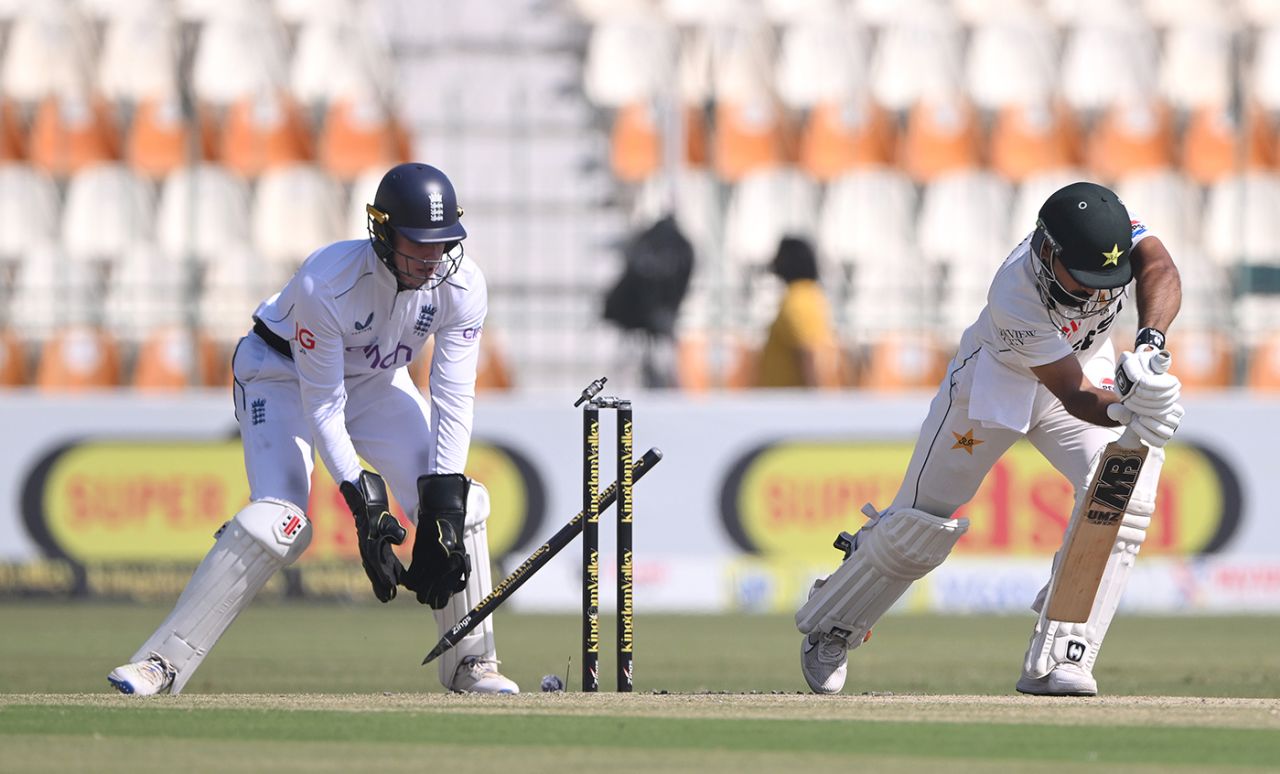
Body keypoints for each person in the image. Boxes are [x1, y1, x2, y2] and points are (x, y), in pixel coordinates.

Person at [108, 163, 518, 695]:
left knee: (463, 504)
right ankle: (159, 664)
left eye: (442, 243)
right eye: (418, 243)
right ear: (383, 232)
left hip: (375, 381)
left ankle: (472, 662)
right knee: (279, 521)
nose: (432, 258)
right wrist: (362, 499)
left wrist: (441, 502)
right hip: (281, 377)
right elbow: (323, 404)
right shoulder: (326, 282)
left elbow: (454, 396)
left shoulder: (462, 285)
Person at [796, 181, 1185, 696]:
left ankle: (1062, 654)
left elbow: (1160, 267)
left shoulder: (1113, 234)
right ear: (1047, 253)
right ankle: (834, 622)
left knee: (1121, 493)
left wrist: (1150, 347)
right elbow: (1075, 396)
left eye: (1105, 284)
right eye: (1083, 282)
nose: (1095, 296)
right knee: (919, 525)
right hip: (994, 388)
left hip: (1085, 369)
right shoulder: (1013, 294)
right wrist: (1131, 408)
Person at [756, 236, 838, 388]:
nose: (775, 261)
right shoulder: (808, 294)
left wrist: (815, 395)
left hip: (791, 399)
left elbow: (808, 352)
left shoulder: (797, 299)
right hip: (790, 398)